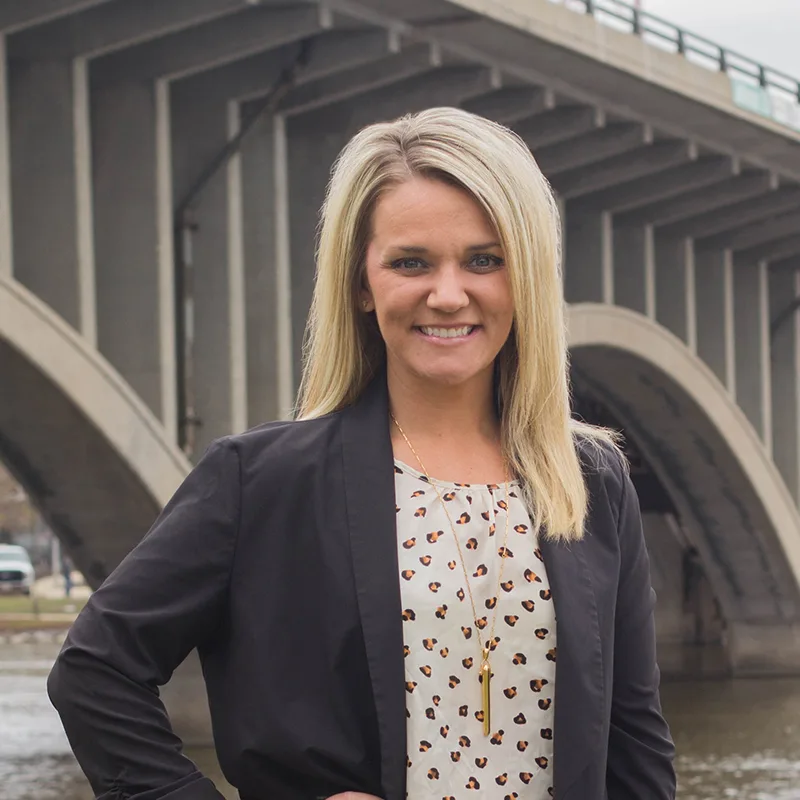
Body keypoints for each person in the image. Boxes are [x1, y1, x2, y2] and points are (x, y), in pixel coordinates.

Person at [48, 107, 676, 800]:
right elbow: (94, 672)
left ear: (525, 276)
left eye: (484, 260)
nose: (447, 294)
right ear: (360, 283)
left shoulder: (590, 481)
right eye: (411, 262)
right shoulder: (262, 482)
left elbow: (634, 739)